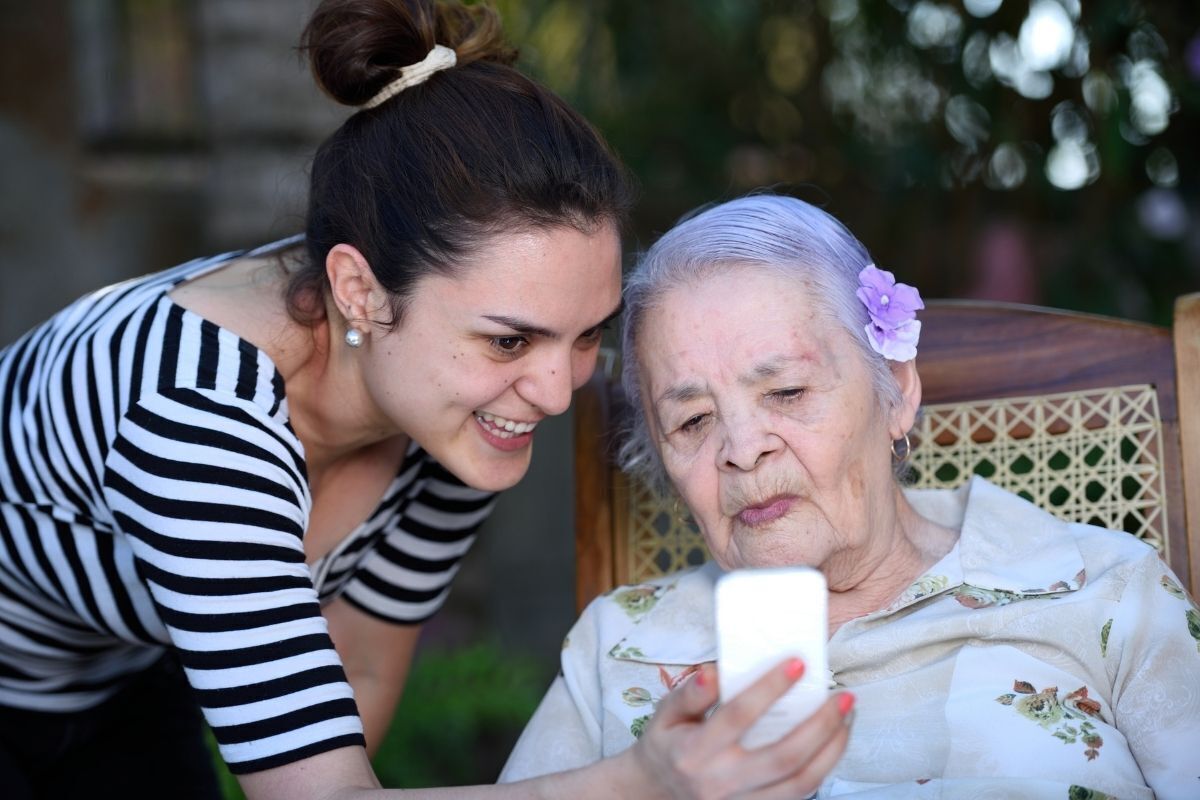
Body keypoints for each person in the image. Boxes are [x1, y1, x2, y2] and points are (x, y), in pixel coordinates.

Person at [0, 3, 851, 799]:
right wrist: (641, 781)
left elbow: (359, 673)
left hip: (116, 678)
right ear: (359, 292)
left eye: (588, 334)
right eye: (511, 340)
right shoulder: (197, 417)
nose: (557, 393)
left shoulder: (448, 415)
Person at [500, 194, 1200, 799]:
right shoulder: (617, 645)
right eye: (692, 421)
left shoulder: (1105, 592)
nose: (742, 448)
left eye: (787, 392)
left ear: (896, 389)